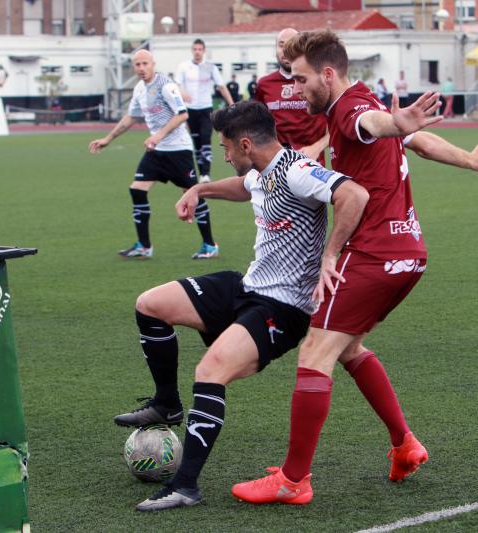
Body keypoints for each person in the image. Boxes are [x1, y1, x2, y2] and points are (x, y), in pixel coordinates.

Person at [231, 29, 478, 506]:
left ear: (328, 74)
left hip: (373, 254)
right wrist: (466, 157)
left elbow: (374, 125)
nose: (297, 90)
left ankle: (293, 480)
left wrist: (394, 123)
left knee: (313, 355)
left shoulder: (350, 108)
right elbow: (416, 139)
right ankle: (405, 445)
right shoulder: (365, 100)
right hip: (407, 253)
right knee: (347, 349)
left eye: (302, 80)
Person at [120, 100, 369, 511]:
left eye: (226, 148)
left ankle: (185, 487)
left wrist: (331, 255)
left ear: (247, 144)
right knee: (150, 304)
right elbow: (246, 185)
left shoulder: (297, 170)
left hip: (283, 307)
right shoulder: (262, 170)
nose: (225, 154)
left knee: (210, 371)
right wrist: (200, 189)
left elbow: (354, 195)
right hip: (247, 286)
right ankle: (166, 404)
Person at [89, 50, 218, 259]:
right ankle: (144, 246)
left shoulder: (165, 85)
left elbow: (182, 114)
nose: (141, 68)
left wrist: (158, 135)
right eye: (137, 64)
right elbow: (131, 117)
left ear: (153, 64)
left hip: (178, 151)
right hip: (156, 152)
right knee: (137, 190)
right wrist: (108, 139)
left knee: (193, 195)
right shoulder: (140, 89)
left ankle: (210, 245)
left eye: (144, 64)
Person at [255, 27, 328, 165]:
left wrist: (316, 148)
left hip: (312, 165)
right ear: (275, 49)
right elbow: (258, 126)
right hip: (276, 166)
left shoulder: (318, 82)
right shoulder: (264, 85)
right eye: (281, 45)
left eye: (291, 44)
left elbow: (337, 125)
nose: (286, 50)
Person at [175, 38, 235, 185]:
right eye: (195, 49)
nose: (197, 52)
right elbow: (176, 85)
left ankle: (206, 173)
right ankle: (201, 172)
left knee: (205, 139)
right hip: (190, 110)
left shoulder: (210, 67)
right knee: (196, 143)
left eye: (200, 49)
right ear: (192, 50)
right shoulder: (184, 67)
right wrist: (182, 93)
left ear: (204, 51)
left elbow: (221, 86)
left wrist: (232, 104)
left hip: (206, 109)